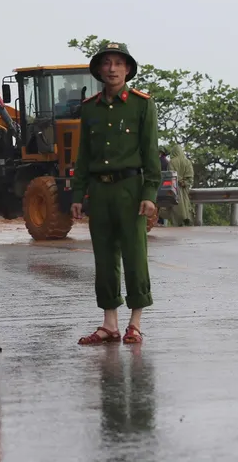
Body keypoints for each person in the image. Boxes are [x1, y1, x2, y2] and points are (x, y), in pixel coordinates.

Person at [70, 41, 159, 345]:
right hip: (99, 191)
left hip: (130, 190)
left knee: (135, 255)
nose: (112, 69)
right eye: (106, 63)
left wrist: (149, 193)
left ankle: (135, 323)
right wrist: (77, 195)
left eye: (118, 63)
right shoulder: (89, 108)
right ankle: (110, 324)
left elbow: (150, 152)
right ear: (98, 69)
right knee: (104, 257)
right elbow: (83, 156)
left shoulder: (141, 104)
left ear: (128, 69)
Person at [166, 143, 194, 226]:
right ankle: (186, 218)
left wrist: (178, 180)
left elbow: (170, 175)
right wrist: (184, 182)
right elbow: (190, 176)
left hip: (174, 187)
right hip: (185, 187)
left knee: (176, 205)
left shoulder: (172, 162)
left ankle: (178, 223)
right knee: (185, 203)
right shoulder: (187, 162)